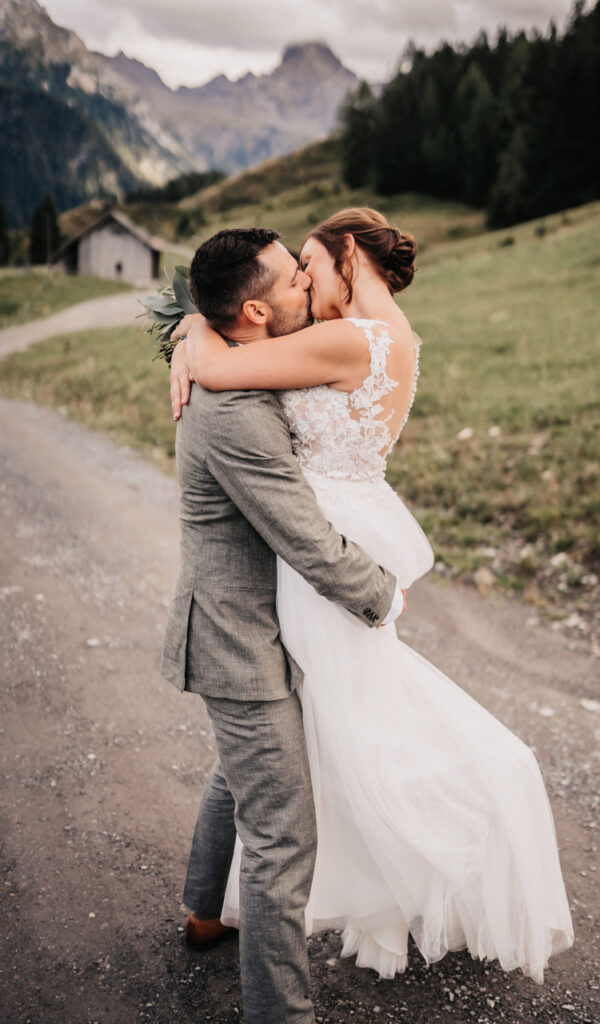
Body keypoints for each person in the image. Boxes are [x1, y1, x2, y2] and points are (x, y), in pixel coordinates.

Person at [171, 208, 574, 992]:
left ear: (347, 253)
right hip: (345, 521)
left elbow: (218, 368)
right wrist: (198, 320)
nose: (305, 281)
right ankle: (209, 908)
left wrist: (191, 325)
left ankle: (438, 848)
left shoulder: (350, 339)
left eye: (310, 265)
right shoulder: (392, 338)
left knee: (335, 727)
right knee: (278, 728)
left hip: (321, 548)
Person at [161, 226, 406, 1024]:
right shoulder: (235, 415)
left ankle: (205, 913)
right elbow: (305, 538)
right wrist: (383, 596)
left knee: (240, 769)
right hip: (238, 635)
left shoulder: (249, 359)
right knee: (282, 833)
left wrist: (190, 329)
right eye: (294, 279)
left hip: (265, 622)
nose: (307, 283)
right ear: (257, 311)